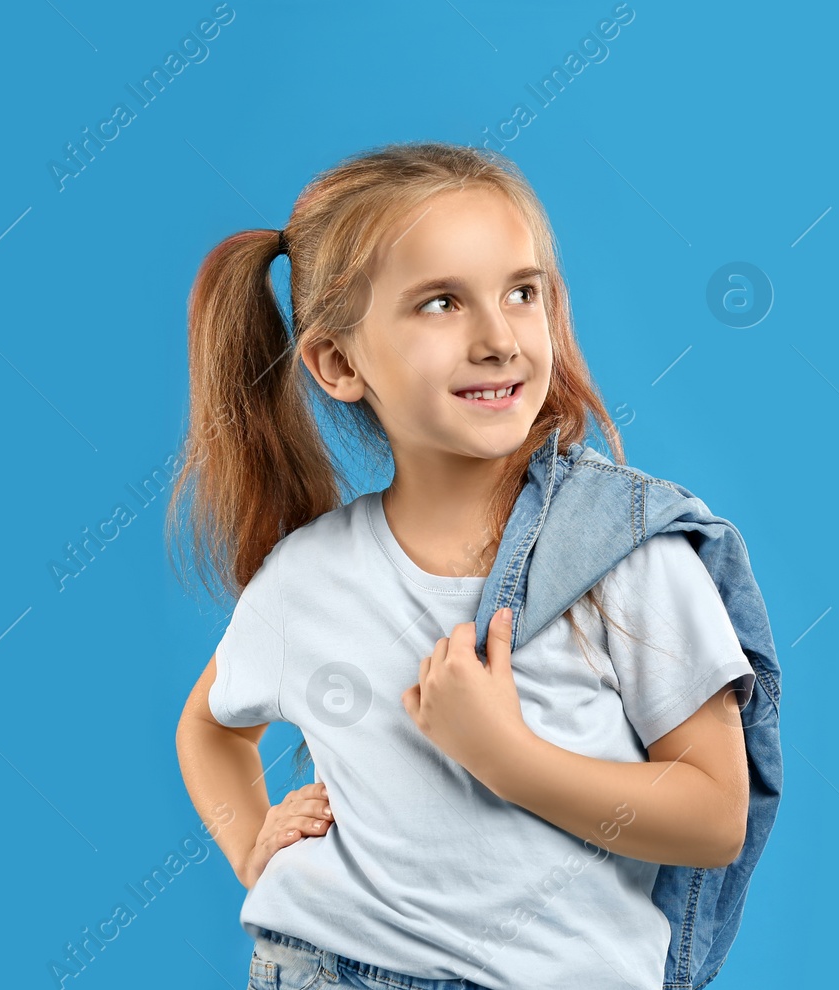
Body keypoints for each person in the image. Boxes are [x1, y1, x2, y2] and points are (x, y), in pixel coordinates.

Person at [172, 141, 756, 990]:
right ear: (339, 364)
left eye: (523, 293)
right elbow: (208, 728)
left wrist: (507, 756)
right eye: (441, 303)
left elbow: (715, 816)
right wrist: (248, 843)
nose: (498, 338)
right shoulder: (307, 576)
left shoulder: (627, 557)